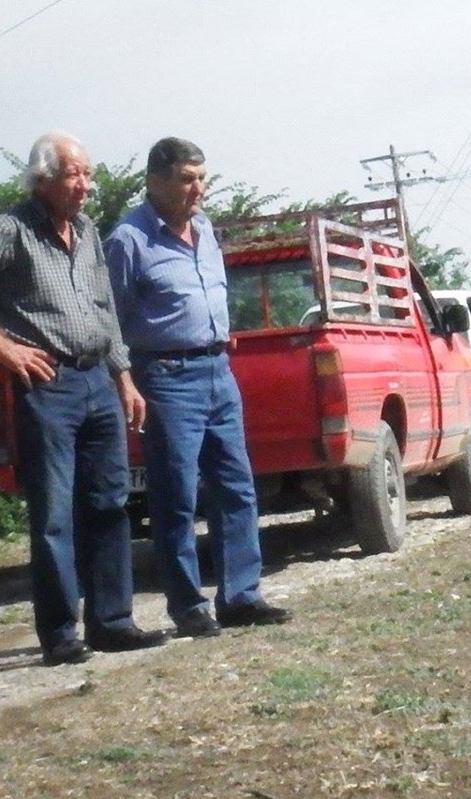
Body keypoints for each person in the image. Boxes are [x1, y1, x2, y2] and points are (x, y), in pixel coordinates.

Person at [0, 133, 168, 666]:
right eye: (74, 174)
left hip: (97, 383)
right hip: (47, 386)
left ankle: (112, 622)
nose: (86, 185)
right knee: (53, 515)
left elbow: (104, 306)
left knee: (110, 505)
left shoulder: (87, 230)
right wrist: (1, 347)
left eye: (88, 174)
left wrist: (124, 377)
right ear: (42, 179)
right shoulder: (8, 229)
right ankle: (61, 633)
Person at [105, 137, 291, 638]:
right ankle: (188, 606)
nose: (198, 189)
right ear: (155, 181)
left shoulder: (205, 230)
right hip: (166, 378)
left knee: (236, 487)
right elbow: (112, 320)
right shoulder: (129, 239)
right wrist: (126, 379)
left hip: (217, 372)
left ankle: (241, 597)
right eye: (187, 179)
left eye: (201, 178)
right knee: (177, 497)